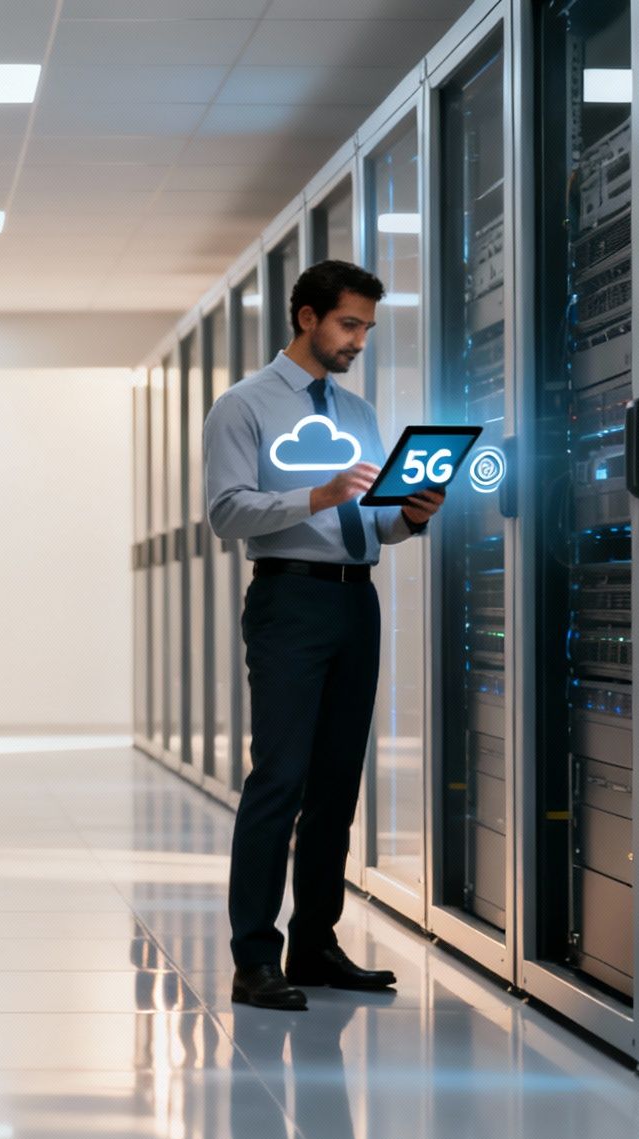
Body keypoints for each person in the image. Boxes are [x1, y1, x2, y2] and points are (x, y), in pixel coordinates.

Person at [202, 259, 445, 1011]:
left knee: (338, 782)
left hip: (355, 602)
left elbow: (375, 524)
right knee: (280, 778)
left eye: (366, 327)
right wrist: (318, 493)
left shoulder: (359, 412)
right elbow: (227, 512)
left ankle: (314, 943)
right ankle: (254, 958)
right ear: (306, 317)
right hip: (290, 600)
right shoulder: (242, 406)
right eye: (348, 324)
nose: (358, 340)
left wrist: (409, 517)